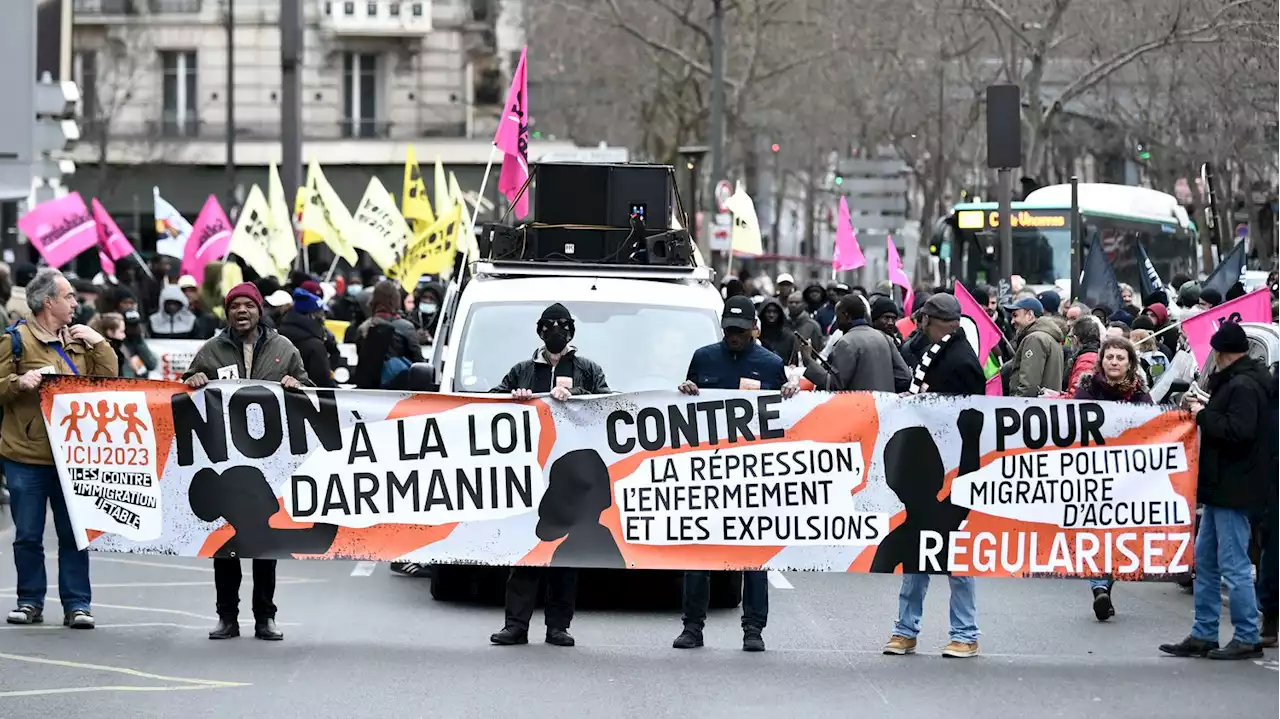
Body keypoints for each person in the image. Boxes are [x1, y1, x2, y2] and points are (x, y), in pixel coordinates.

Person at [182, 282, 310, 641]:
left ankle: (265, 618)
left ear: (259, 311)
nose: (241, 311)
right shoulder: (212, 349)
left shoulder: (283, 349)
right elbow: (184, 392)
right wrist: (194, 379)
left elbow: (309, 390)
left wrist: (296, 383)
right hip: (226, 468)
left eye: (248, 306)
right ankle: (227, 618)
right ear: (227, 313)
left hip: (267, 471)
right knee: (225, 547)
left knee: (264, 546)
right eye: (234, 306)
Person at [675, 295, 798, 652]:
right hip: (708, 471)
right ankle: (692, 627)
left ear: (754, 330)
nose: (734, 336)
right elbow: (685, 409)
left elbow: (784, 420)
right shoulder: (703, 357)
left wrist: (791, 394)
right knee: (699, 553)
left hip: (752, 474)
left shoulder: (771, 363)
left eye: (741, 331)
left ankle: (754, 629)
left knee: (754, 556)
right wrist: (686, 391)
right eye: (729, 329)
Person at [488, 303, 610, 648]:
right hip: (530, 474)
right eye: (549, 326)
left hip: (571, 476)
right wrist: (515, 399)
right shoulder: (523, 370)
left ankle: (558, 626)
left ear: (571, 332)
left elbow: (608, 406)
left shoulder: (588, 370)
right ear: (540, 331)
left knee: (565, 557)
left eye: (563, 326)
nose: (556, 332)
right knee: (524, 552)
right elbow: (489, 403)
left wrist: (577, 395)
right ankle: (516, 625)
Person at [2, 269, 118, 629]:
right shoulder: (16, 340)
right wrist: (17, 382)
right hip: (26, 455)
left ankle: (77, 605)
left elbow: (110, 380)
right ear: (48, 302)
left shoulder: (81, 339)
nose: (75, 302)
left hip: (73, 457)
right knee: (27, 536)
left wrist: (98, 342)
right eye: (68, 297)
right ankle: (29, 601)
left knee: (73, 535)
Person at [882, 292, 985, 659]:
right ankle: (905, 630)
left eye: (923, 318)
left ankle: (965, 633)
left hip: (946, 462)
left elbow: (971, 417)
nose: (918, 324)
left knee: (958, 561)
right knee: (916, 557)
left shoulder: (961, 361)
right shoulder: (933, 351)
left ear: (933, 320)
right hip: (927, 463)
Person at [1160, 322, 1269, 660]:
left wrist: (1203, 414)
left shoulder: (1245, 386)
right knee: (1204, 562)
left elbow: (1239, 431)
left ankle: (1248, 635)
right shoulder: (1237, 382)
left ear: (1223, 353)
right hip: (1220, 487)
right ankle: (1204, 633)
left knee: (1233, 564)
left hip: (1233, 488)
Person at [1073, 337, 1152, 620]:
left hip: (1127, 474)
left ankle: (1104, 585)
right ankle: (1099, 587)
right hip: (1092, 472)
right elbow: (1073, 423)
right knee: (1094, 529)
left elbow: (1152, 429)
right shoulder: (1086, 388)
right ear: (1101, 360)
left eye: (1120, 358)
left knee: (1118, 532)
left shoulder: (1141, 393)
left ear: (1130, 363)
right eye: (1110, 357)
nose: (1114, 362)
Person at [803, 295, 909, 393]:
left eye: (838, 316)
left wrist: (808, 360)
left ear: (846, 315)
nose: (837, 321)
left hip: (858, 409)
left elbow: (834, 385)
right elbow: (905, 376)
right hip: (884, 408)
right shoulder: (884, 337)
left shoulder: (846, 342)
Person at [352, 280, 424, 390]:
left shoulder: (363, 328)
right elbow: (419, 362)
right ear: (396, 300)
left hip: (369, 392)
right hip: (399, 390)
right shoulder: (405, 327)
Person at [1000, 296, 1064, 397]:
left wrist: (1016, 405)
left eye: (1015, 315)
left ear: (1030, 315)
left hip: (1030, 408)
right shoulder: (1047, 337)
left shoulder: (1035, 339)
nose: (1012, 321)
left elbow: (1029, 385)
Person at [276, 288, 335, 388]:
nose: (324, 318)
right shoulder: (315, 346)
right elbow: (323, 383)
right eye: (320, 314)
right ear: (311, 316)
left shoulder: (278, 336)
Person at [1063, 315, 1100, 393]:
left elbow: (1075, 396)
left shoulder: (1086, 362)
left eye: (1070, 338)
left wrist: (1049, 397)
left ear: (1076, 339)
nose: (1070, 342)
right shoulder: (1093, 356)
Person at [756, 298, 797, 364]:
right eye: (768, 312)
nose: (771, 315)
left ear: (780, 314)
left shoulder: (789, 337)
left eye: (775, 312)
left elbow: (793, 361)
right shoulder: (756, 335)